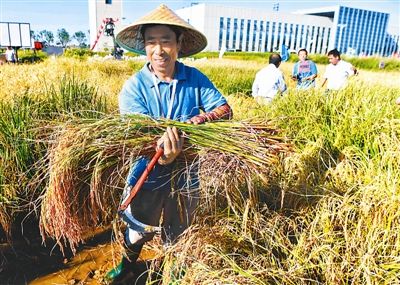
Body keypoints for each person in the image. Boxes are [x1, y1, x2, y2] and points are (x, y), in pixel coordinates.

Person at [106, 4, 232, 283]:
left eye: (166, 41)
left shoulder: (195, 78)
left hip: (187, 170)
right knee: (140, 227)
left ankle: (174, 271)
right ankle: (127, 265)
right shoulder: (134, 87)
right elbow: (136, 133)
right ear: (144, 46)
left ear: (179, 44)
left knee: (179, 227)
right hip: (148, 170)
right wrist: (161, 153)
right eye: (152, 42)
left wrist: (203, 118)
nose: (159, 50)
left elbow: (225, 109)